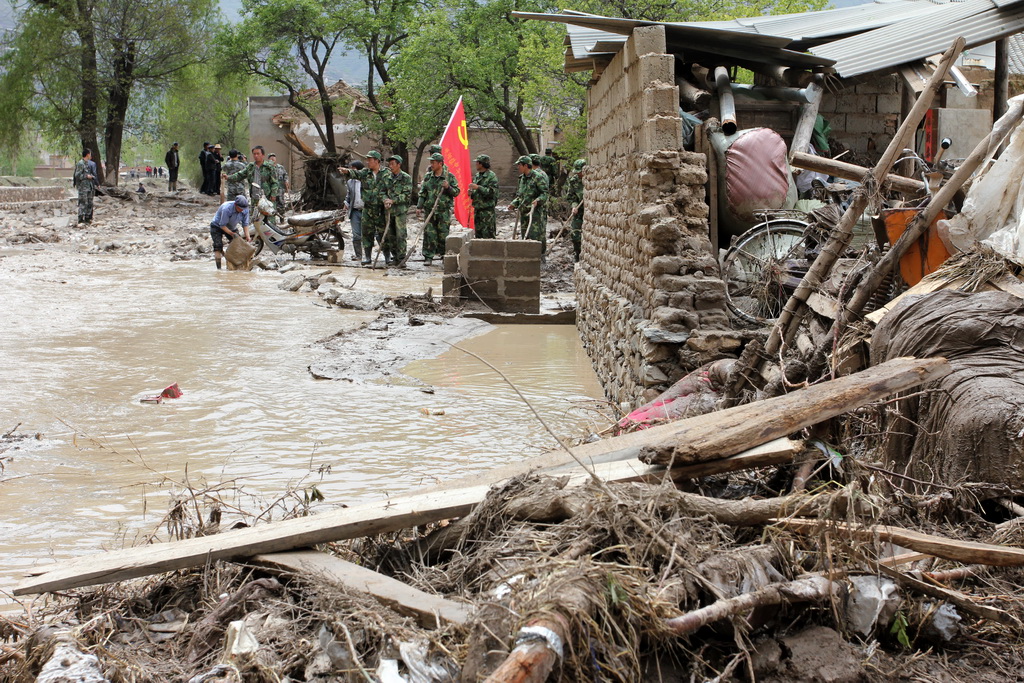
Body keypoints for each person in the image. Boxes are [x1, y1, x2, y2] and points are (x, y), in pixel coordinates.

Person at [339, 151, 385, 266]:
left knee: (379, 234)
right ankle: (363, 256)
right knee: (360, 235)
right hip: (360, 210)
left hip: (377, 210)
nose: (367, 162)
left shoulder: (381, 175)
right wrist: (346, 203)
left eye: (369, 160)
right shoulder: (356, 179)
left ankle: (386, 256)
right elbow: (349, 193)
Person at [222, 145, 281, 233]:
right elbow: (240, 175)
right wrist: (228, 177)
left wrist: (273, 194)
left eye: (258, 154)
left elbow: (275, 182)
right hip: (255, 197)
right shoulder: (250, 167)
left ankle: (272, 237)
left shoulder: (269, 167)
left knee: (269, 218)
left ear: (263, 155)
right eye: (254, 154)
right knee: (255, 218)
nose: (256, 156)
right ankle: (258, 237)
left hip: (267, 197)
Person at [416, 152, 460, 266]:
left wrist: (448, 187)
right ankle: (428, 256)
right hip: (430, 210)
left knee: (443, 234)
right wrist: (419, 206)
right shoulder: (428, 176)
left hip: (443, 211)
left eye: (433, 162)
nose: (431, 164)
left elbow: (456, 192)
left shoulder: (449, 176)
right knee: (429, 234)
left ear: (440, 163)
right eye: (430, 162)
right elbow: (423, 193)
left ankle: (443, 256)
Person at [509, 155, 549, 253]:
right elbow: (521, 195)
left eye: (519, 165)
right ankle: (526, 258)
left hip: (534, 213)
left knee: (535, 236)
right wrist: (514, 203)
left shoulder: (537, 177)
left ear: (526, 165)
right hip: (524, 212)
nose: (518, 167)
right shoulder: (522, 178)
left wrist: (538, 200)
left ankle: (538, 257)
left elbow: (544, 193)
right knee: (525, 236)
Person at [382, 155, 413, 267]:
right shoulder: (387, 177)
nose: (390, 166)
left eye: (392, 164)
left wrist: (393, 200)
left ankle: (401, 258)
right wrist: (385, 200)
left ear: (399, 165)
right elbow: (382, 191)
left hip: (400, 211)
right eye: (389, 164)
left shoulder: (406, 178)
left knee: (400, 235)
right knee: (391, 235)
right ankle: (394, 257)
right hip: (389, 211)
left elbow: (406, 195)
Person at [209, 195, 251, 270]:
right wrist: (231, 233)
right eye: (240, 209)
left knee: (239, 245)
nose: (242, 210)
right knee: (218, 246)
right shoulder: (227, 208)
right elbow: (222, 225)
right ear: (235, 205)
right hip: (217, 226)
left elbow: (245, 224)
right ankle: (219, 269)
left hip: (231, 227)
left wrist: (247, 236)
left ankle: (237, 266)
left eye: (243, 209)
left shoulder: (245, 209)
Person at [467, 154, 499, 239]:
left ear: (482, 164)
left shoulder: (491, 176)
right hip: (478, 209)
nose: (476, 164)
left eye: (477, 162)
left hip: (487, 211)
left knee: (488, 234)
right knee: (479, 235)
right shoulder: (477, 176)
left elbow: (492, 193)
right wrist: (471, 193)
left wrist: (478, 187)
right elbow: (476, 193)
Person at [564, 159, 587, 261]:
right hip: (579, 212)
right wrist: (574, 206)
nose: (578, 174)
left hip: (590, 212)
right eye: (577, 171)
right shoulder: (574, 181)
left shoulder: (591, 179)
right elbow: (570, 197)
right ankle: (578, 254)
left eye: (580, 171)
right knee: (575, 234)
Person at [344, 160, 365, 262]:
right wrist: (346, 203)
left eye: (353, 169)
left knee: (372, 234)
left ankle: (383, 256)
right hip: (355, 211)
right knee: (356, 234)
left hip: (367, 210)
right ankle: (359, 256)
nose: (351, 171)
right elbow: (348, 195)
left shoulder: (366, 180)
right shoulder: (350, 182)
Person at [73, 148, 97, 225]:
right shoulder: (80, 163)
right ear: (87, 154)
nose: (91, 155)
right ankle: (81, 219)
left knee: (89, 202)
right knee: (83, 203)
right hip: (83, 187)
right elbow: (77, 175)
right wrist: (86, 176)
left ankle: (87, 218)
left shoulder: (87, 163)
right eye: (90, 154)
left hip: (89, 186)